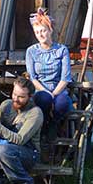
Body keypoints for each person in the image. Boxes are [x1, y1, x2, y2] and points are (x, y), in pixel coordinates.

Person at [25, 8, 72, 136]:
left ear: (50, 30)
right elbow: (33, 78)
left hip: (58, 88)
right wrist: (46, 93)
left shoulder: (62, 50)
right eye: (37, 32)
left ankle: (54, 123)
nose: (40, 34)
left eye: (43, 30)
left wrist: (54, 93)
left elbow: (65, 78)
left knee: (62, 103)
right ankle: (44, 123)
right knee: (43, 100)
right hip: (41, 90)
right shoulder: (31, 51)